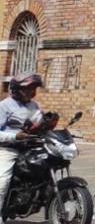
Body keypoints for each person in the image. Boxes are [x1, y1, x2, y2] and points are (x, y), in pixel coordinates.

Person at [0, 74, 45, 214]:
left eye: (34, 88)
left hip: (30, 148)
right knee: (3, 181)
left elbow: (39, 124)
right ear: (17, 89)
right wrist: (15, 136)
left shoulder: (34, 106)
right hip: (8, 148)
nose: (33, 92)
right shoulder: (4, 106)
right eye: (29, 88)